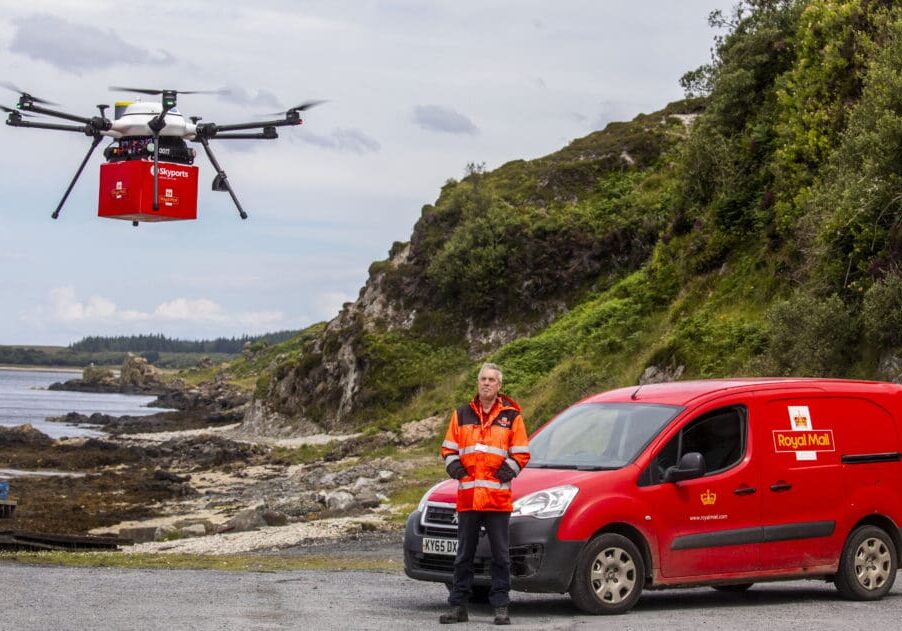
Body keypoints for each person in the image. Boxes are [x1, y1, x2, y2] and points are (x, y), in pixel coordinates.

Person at [439, 362, 530, 625]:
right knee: (463, 556)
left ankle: (501, 607)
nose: (487, 383)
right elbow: (448, 448)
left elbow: (522, 451)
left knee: (500, 556)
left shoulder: (512, 416)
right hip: (468, 497)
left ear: (499, 385)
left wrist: (508, 470)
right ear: (477, 383)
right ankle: (458, 606)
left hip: (497, 499)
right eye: (483, 379)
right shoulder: (461, 414)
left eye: (492, 379)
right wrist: (455, 468)